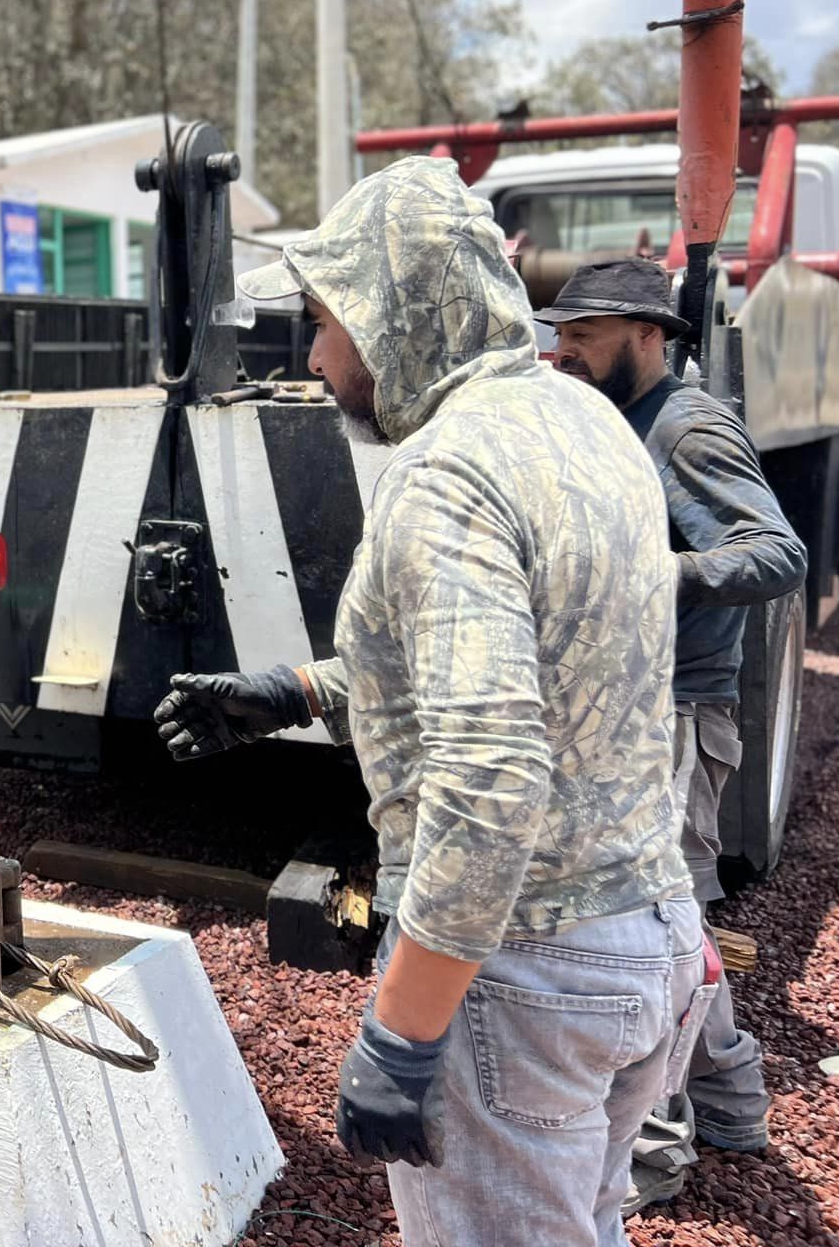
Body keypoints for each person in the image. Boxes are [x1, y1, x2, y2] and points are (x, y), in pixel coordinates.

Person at [154, 159, 705, 1247]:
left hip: (525, 972)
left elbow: (489, 777)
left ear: (394, 309)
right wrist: (295, 690)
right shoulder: (583, 422)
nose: (311, 357)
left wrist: (404, 1033)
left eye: (323, 321)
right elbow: (549, 662)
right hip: (646, 938)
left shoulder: (444, 472)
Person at [537, 257, 804, 1207]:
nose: (562, 347)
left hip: (682, 714)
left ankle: (656, 1142)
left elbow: (776, 553)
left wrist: (662, 574)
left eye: (585, 333)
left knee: (664, 923)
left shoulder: (688, 427)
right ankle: (732, 1101)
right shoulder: (618, 418)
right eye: (561, 332)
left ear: (650, 335)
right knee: (676, 921)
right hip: (640, 710)